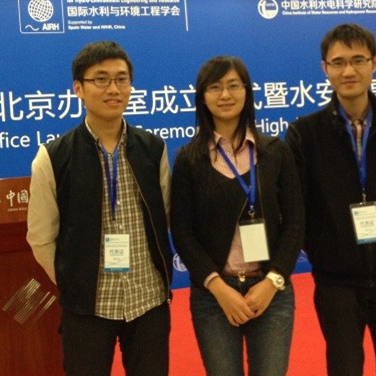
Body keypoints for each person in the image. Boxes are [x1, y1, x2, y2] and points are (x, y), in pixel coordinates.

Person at [27, 41, 173, 376]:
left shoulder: (153, 148)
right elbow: (41, 236)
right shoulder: (53, 157)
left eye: (122, 79)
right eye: (101, 79)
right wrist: (73, 280)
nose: (114, 89)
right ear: (78, 88)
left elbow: (165, 216)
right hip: (88, 307)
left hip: (148, 300)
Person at [285, 23, 376, 376]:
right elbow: (298, 206)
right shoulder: (304, 133)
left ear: (374, 63)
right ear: (325, 69)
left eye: (358, 60)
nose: (348, 71)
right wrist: (324, 247)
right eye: (338, 62)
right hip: (337, 283)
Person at [170, 55, 304, 376]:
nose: (225, 95)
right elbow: (183, 231)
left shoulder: (276, 151)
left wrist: (272, 282)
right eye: (215, 87)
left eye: (233, 85)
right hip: (214, 297)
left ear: (247, 91)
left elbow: (295, 222)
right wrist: (218, 288)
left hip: (270, 292)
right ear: (202, 97)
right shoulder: (189, 159)